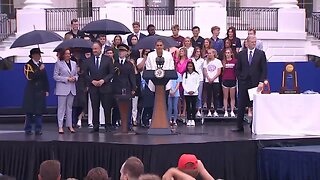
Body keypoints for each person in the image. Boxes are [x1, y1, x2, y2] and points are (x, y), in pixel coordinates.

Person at [233, 35, 267, 132]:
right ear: (247, 43)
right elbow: (237, 68)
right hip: (243, 83)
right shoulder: (241, 54)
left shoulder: (261, 54)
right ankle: (239, 126)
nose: (254, 43)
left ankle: (254, 126)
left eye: (255, 42)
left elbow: (264, 69)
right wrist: (240, 78)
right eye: (252, 42)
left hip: (255, 84)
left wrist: (261, 81)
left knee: (254, 105)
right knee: (241, 104)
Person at [85, 41, 115, 133]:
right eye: (93, 49)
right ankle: (95, 126)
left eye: (96, 49)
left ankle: (108, 125)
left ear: (100, 49)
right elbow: (85, 74)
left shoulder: (107, 59)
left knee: (106, 107)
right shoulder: (89, 60)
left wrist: (103, 80)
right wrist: (92, 81)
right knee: (95, 107)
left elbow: (111, 73)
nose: (94, 50)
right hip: (93, 87)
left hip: (105, 87)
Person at [23, 48, 49, 135]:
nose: (39, 56)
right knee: (29, 112)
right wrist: (39, 70)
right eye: (37, 54)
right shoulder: (28, 65)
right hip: (31, 91)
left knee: (39, 111)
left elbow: (45, 78)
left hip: (40, 91)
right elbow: (30, 77)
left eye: (40, 54)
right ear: (33, 55)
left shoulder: (41, 65)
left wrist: (46, 89)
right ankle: (28, 129)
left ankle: (38, 129)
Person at [112, 44, 136, 131]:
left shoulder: (129, 64)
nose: (121, 53)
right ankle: (115, 123)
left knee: (128, 107)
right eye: (120, 51)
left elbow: (132, 76)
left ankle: (128, 124)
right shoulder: (115, 63)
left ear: (126, 53)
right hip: (117, 87)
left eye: (122, 51)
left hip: (126, 87)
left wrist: (133, 88)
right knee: (116, 107)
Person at [53, 48, 78, 134]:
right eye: (66, 54)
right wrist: (67, 79)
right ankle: (60, 126)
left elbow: (76, 74)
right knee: (61, 108)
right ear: (63, 55)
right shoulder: (58, 64)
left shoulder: (74, 63)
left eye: (69, 53)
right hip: (62, 88)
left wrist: (75, 78)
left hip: (71, 88)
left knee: (69, 108)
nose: (68, 55)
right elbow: (55, 76)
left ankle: (70, 125)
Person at [71, 49, 88, 128]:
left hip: (82, 83)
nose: (77, 53)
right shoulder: (70, 61)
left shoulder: (83, 61)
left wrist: (80, 71)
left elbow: (86, 73)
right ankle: (73, 121)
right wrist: (75, 71)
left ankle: (79, 118)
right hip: (73, 83)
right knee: (73, 103)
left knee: (82, 102)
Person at [203, 49, 222, 117]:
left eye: (210, 53)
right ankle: (209, 111)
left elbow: (219, 72)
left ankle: (215, 111)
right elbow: (205, 71)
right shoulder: (206, 61)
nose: (209, 54)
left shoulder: (218, 61)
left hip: (215, 81)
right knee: (209, 96)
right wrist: (208, 78)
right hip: (208, 81)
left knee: (215, 96)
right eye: (208, 53)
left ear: (214, 54)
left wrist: (213, 78)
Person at [137, 49, 153, 127]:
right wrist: (145, 58)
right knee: (143, 103)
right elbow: (139, 68)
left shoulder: (153, 60)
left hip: (151, 83)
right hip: (142, 83)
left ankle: (148, 119)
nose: (147, 53)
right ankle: (141, 119)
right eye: (146, 52)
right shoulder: (140, 59)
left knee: (151, 103)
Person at [183, 61, 200, 126]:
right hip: (187, 93)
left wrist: (193, 90)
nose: (189, 67)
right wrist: (187, 90)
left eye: (191, 66)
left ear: (193, 67)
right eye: (188, 66)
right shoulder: (185, 74)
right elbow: (183, 83)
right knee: (188, 106)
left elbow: (197, 83)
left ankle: (193, 119)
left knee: (193, 106)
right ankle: (189, 119)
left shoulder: (196, 74)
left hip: (194, 93)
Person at [221, 48, 237, 117]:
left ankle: (232, 111)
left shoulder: (235, 61)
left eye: (228, 53)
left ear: (231, 53)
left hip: (233, 80)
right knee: (225, 97)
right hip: (225, 80)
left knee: (232, 97)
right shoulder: (223, 62)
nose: (227, 54)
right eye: (226, 53)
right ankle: (226, 111)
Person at [191, 47, 205, 117]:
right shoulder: (191, 60)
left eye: (199, 52)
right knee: (193, 95)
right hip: (192, 79)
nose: (198, 53)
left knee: (199, 95)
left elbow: (203, 70)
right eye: (197, 52)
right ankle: (192, 109)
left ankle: (199, 110)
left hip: (200, 79)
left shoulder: (202, 60)